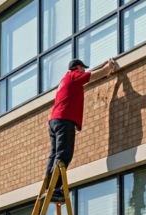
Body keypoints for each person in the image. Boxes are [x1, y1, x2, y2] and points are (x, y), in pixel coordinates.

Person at [46, 58, 115, 202]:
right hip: (65, 120)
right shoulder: (74, 76)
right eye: (82, 68)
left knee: (53, 155)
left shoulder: (66, 79)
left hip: (54, 121)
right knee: (64, 155)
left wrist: (101, 65)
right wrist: (108, 68)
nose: (84, 70)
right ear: (77, 67)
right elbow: (92, 76)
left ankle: (49, 187)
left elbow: (88, 73)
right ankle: (55, 189)